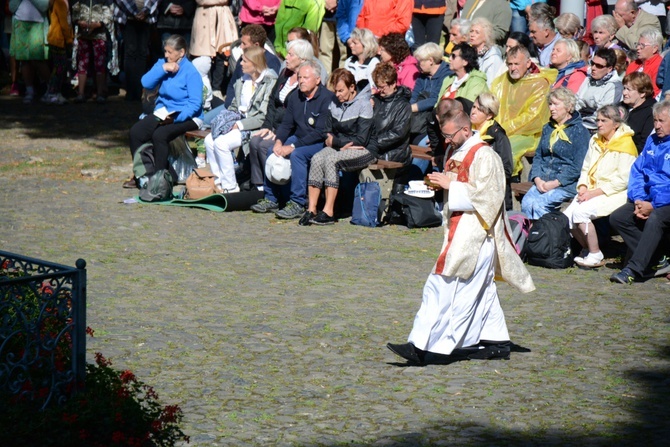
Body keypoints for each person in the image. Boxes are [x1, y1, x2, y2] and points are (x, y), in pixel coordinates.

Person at [386, 110, 535, 365]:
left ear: (465, 130)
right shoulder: (458, 150)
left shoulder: (486, 155)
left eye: (450, 135)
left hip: (475, 235)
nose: (446, 141)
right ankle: (496, 341)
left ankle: (425, 347)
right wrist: (438, 185)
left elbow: (490, 197)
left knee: (442, 287)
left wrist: (450, 186)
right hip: (458, 228)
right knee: (482, 290)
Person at [250, 59, 335, 218]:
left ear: (317, 80)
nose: (301, 81)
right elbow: (286, 124)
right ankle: (271, 198)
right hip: (299, 137)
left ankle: (298, 202)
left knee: (297, 155)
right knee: (271, 151)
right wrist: (279, 141)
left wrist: (292, 146)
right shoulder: (296, 96)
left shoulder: (327, 98)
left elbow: (320, 132)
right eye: (300, 77)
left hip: (319, 142)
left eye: (305, 78)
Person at [564, 105, 637, 268]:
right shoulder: (595, 140)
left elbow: (622, 180)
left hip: (614, 192)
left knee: (581, 213)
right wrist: (582, 187)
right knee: (567, 217)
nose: (599, 124)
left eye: (604, 120)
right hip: (591, 189)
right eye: (597, 120)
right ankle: (587, 248)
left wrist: (593, 193)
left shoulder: (626, 145)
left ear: (615, 124)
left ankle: (595, 252)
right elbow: (586, 166)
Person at [126, 35, 203, 188]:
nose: (166, 55)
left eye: (170, 52)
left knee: (159, 135)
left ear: (181, 53)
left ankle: (160, 179)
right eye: (165, 51)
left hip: (187, 116)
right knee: (136, 132)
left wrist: (176, 118)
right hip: (163, 112)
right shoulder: (163, 64)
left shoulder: (191, 72)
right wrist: (163, 69)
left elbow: (195, 104)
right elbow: (145, 82)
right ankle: (143, 174)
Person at [301, 68, 375, 226]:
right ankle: (312, 209)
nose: (338, 95)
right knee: (317, 158)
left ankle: (328, 211)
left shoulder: (364, 104)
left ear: (352, 87)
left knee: (332, 160)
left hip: (363, 150)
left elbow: (361, 139)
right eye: (335, 91)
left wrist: (336, 142)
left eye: (341, 90)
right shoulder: (334, 103)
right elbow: (326, 131)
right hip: (342, 146)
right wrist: (338, 143)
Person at [609, 100, 670, 284]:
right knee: (618, 217)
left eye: (662, 121)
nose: (656, 125)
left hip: (664, 202)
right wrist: (638, 199)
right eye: (655, 120)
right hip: (647, 198)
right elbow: (637, 172)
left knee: (656, 217)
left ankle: (633, 270)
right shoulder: (652, 141)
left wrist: (653, 204)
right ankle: (657, 257)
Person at [204, 46, 277, 193]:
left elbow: (262, 116)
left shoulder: (269, 82)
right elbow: (234, 107)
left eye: (244, 61)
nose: (241, 64)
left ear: (255, 63)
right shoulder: (242, 81)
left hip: (254, 127)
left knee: (221, 143)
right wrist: (226, 121)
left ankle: (231, 187)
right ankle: (219, 183)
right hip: (237, 122)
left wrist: (239, 124)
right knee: (209, 140)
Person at [247, 39, 314, 192]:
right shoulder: (285, 73)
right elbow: (272, 101)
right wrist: (267, 126)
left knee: (264, 146)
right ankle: (258, 186)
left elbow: (295, 114)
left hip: (290, 130)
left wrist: (278, 132)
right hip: (275, 125)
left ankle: (276, 187)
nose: (286, 58)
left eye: (291, 55)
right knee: (254, 141)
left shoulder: (304, 82)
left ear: (302, 59)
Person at [521, 87, 590, 220]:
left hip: (565, 184)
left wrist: (554, 183)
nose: (551, 108)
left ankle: (547, 238)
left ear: (568, 107)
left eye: (556, 104)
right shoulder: (548, 128)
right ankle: (534, 238)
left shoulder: (580, 132)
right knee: (527, 203)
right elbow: (538, 156)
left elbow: (577, 166)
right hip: (543, 180)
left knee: (540, 205)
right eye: (550, 104)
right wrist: (537, 179)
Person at [490, 45, 557, 176]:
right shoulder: (501, 80)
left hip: (529, 134)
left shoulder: (540, 83)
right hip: (499, 129)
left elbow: (534, 117)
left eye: (516, 64)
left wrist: (503, 129)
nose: (512, 68)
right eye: (509, 64)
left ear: (528, 63)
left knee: (507, 151)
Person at [470, 92, 513, 211]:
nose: (473, 111)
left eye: (479, 110)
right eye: (473, 107)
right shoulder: (468, 130)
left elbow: (507, 169)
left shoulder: (498, 135)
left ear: (489, 115)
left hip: (492, 192)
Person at [223, 24, 282, 108]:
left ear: (256, 45)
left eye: (244, 44)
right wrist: (229, 106)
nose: (241, 46)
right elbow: (233, 84)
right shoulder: (242, 59)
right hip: (234, 106)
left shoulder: (271, 63)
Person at [113, 0, 158, 102]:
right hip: (127, 17)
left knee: (142, 53)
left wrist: (145, 11)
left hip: (147, 18)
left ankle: (138, 91)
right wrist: (134, 12)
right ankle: (130, 91)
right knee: (130, 52)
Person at [72, 0, 116, 103]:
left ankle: (100, 93)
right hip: (83, 36)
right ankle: (81, 93)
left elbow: (108, 14)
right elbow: (74, 12)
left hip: (99, 35)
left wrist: (98, 24)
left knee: (100, 65)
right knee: (82, 63)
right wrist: (79, 22)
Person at [368, 62, 412, 164]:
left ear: (393, 84)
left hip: (393, 155)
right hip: (373, 150)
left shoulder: (403, 105)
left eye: (383, 87)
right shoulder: (374, 100)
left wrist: (372, 143)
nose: (380, 90)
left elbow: (398, 133)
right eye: (377, 86)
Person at [9, 0, 51, 104]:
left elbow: (45, 6)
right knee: (24, 59)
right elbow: (11, 7)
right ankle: (29, 90)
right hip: (20, 21)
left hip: (38, 23)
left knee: (38, 59)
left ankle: (52, 88)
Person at [576, 48, 623, 132]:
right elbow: (578, 100)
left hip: (596, 129)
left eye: (599, 66)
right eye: (592, 63)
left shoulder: (615, 86)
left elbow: (602, 115)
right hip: (579, 121)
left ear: (609, 69)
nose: (593, 68)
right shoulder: (589, 78)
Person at [43, 0, 73, 105]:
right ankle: (53, 92)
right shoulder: (60, 2)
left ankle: (53, 92)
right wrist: (69, 39)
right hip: (58, 39)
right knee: (59, 68)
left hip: (54, 39)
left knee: (58, 67)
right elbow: (64, 23)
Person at [621, 72, 655, 153]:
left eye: (629, 89)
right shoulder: (620, 107)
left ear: (642, 93)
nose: (624, 93)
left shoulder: (651, 112)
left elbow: (645, 144)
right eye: (624, 88)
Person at [625, 28, 662, 98]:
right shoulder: (634, 64)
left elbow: (654, 93)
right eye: (637, 44)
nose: (638, 48)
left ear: (654, 48)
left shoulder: (659, 66)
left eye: (642, 45)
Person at [468, 17, 504, 87]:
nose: (472, 35)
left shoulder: (493, 59)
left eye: (477, 32)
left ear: (486, 36)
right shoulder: (469, 53)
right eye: (471, 31)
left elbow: (490, 85)